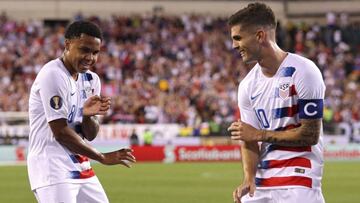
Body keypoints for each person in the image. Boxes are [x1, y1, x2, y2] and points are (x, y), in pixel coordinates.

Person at [27, 21, 136, 203]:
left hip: (80, 165)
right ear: (68, 44)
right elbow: (60, 132)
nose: (90, 58)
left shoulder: (91, 80)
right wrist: (102, 157)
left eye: (95, 53)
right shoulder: (53, 74)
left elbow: (90, 134)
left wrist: (87, 116)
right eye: (84, 50)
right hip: (52, 166)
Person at [227, 3, 325, 203]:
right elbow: (248, 138)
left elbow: (311, 134)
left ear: (260, 35)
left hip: (298, 179)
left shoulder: (304, 71)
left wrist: (259, 134)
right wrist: (248, 178)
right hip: (262, 183)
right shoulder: (247, 86)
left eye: (238, 38)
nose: (234, 45)